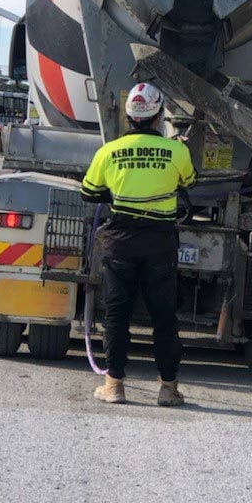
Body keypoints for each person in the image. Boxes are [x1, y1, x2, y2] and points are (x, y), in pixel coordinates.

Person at [80, 82, 196, 406]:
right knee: (164, 317)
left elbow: (88, 192)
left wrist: (117, 194)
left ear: (128, 115)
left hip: (120, 246)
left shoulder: (108, 152)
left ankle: (114, 386)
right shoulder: (177, 151)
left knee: (117, 315)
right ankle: (168, 389)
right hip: (159, 244)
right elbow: (189, 181)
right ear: (159, 116)